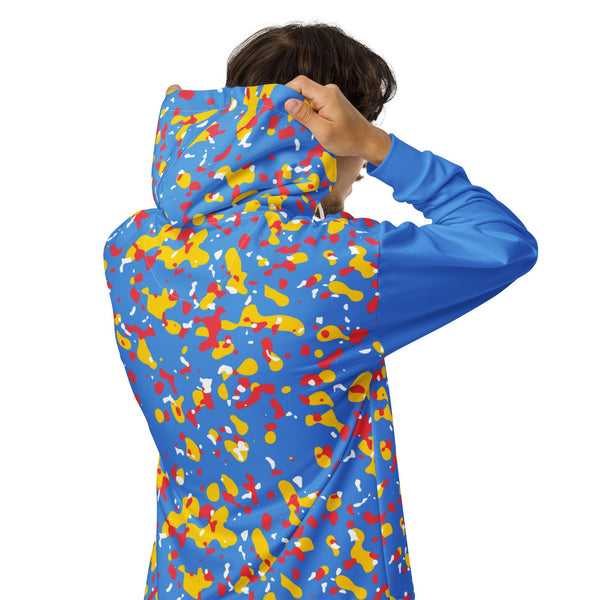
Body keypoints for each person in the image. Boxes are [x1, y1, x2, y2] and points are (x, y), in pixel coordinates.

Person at [103, 22, 538, 600]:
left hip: (186, 581)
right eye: (360, 125)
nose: (361, 165)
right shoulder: (340, 267)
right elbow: (504, 243)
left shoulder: (132, 250)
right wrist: (381, 148)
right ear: (327, 131)